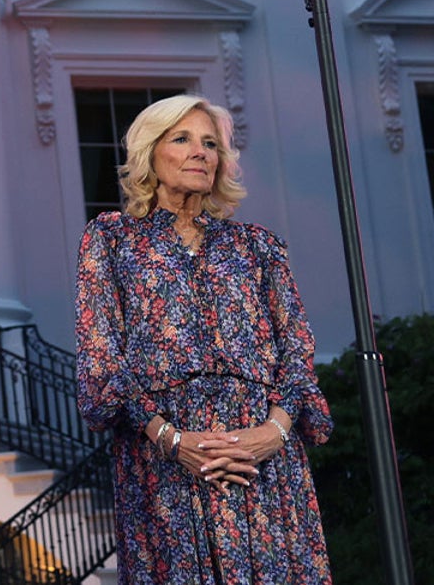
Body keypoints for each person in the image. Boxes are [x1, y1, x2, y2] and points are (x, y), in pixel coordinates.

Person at [74, 94, 333, 583]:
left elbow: (297, 350)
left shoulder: (259, 246)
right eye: (183, 139)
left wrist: (271, 434)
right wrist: (172, 440)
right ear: (152, 153)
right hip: (165, 460)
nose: (201, 152)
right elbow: (101, 354)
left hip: (263, 461)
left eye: (211, 143)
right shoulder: (111, 239)